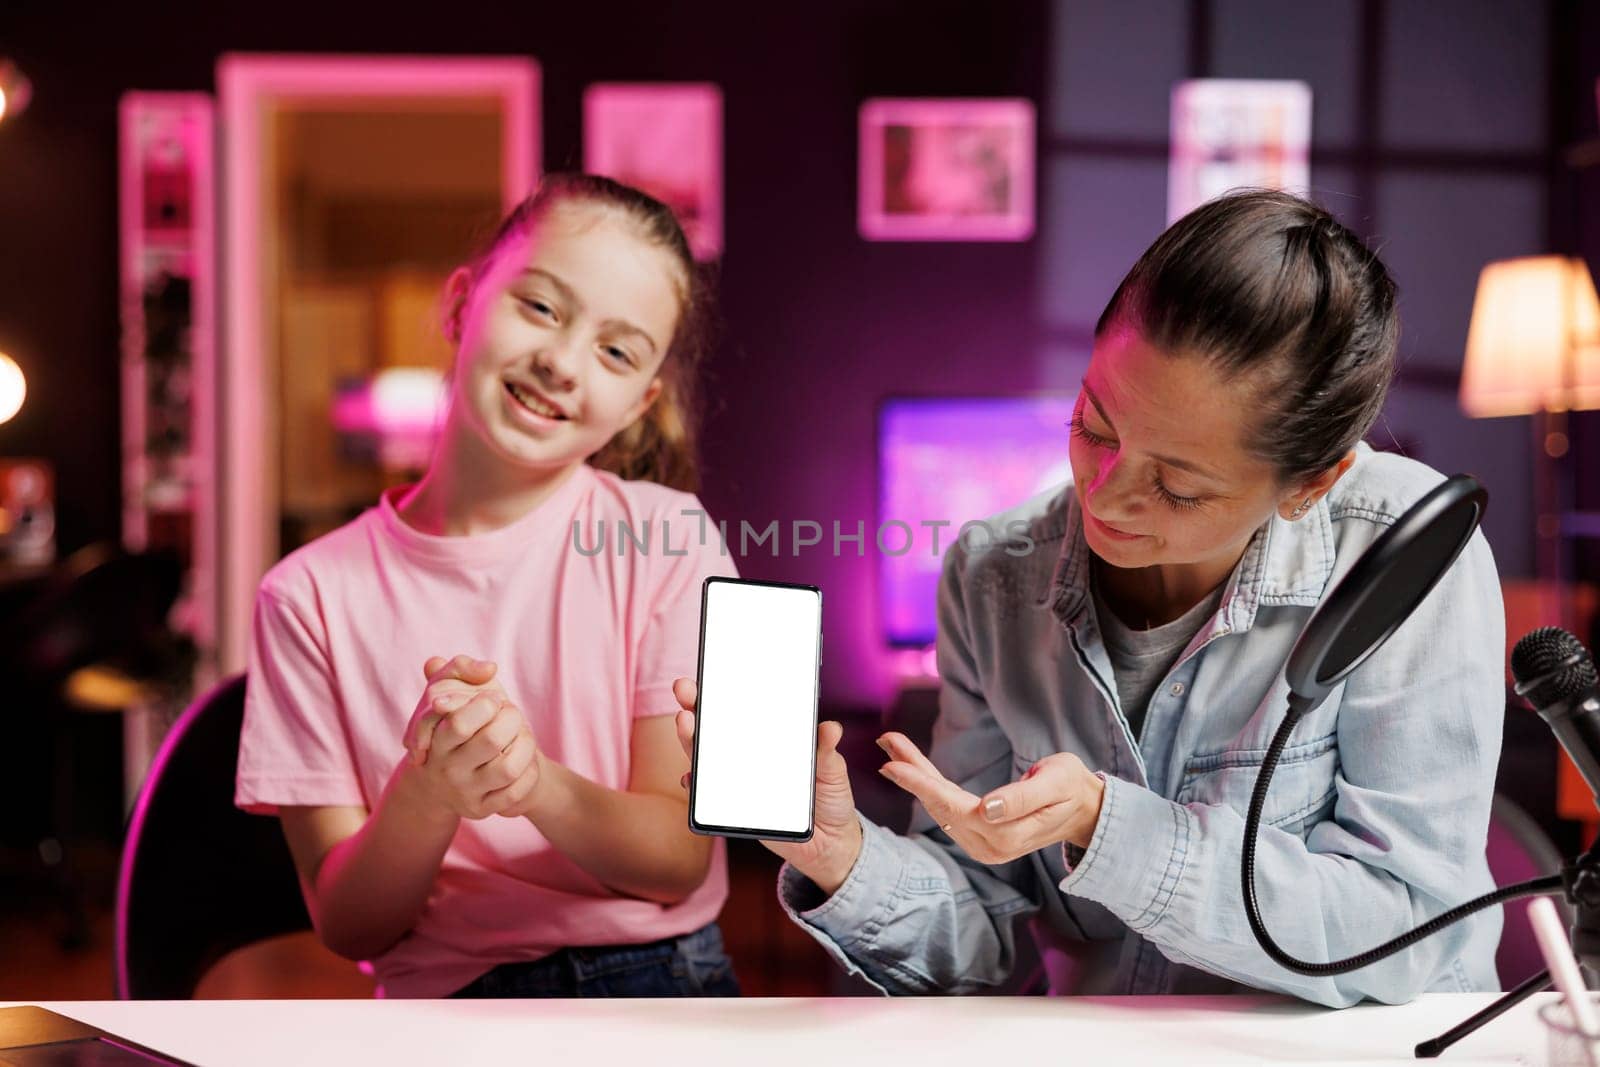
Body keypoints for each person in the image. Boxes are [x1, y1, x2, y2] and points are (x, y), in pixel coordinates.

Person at [674, 189, 1504, 1007]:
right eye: (1094, 427)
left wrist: (1109, 825)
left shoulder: (1406, 555)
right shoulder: (995, 573)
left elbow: (1405, 932)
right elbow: (985, 943)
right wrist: (840, 852)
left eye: (1175, 488)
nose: (1103, 499)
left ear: (1312, 483)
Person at [236, 173, 740, 999]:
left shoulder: (670, 538)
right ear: (463, 302)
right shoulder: (307, 597)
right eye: (540, 307)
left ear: (639, 403)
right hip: (446, 1002)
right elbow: (351, 923)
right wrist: (429, 791)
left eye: (616, 351)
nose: (561, 361)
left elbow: (676, 863)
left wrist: (532, 783)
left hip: (662, 980)